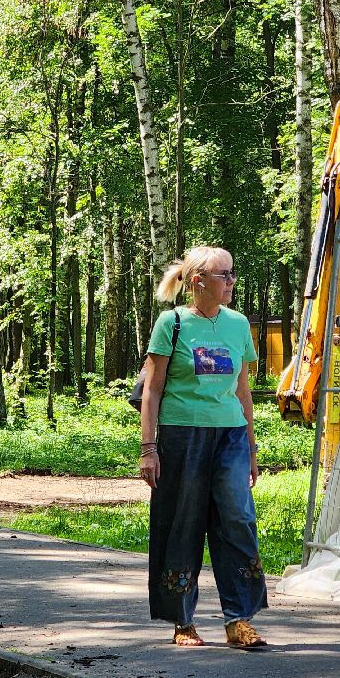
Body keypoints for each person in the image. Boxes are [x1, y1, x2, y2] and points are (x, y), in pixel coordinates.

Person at [139, 246, 268, 649]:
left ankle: (239, 620)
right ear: (198, 282)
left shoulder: (238, 324)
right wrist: (148, 447)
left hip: (229, 435)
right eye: (223, 275)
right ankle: (182, 621)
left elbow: (243, 388)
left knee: (238, 522)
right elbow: (153, 389)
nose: (231, 282)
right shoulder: (171, 323)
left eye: (232, 274)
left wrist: (250, 445)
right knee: (183, 524)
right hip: (181, 436)